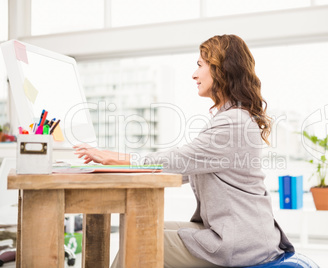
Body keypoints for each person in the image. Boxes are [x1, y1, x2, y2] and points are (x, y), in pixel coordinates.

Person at [74, 34, 294, 268]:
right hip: (236, 233)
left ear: (222, 69)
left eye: (200, 65)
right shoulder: (230, 118)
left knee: (138, 241)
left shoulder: (233, 123)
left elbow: (178, 161)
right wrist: (118, 167)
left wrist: (115, 157)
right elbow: (183, 170)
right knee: (138, 228)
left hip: (240, 243)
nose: (194, 74)